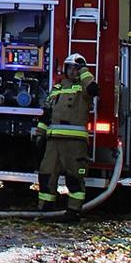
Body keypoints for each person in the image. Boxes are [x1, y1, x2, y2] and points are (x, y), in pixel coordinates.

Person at [34, 53, 99, 217]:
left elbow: (93, 89)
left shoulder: (85, 87)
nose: (72, 72)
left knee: (74, 178)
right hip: (53, 141)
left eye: (76, 69)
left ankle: (73, 211)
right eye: (70, 68)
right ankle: (45, 209)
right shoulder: (57, 88)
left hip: (74, 143)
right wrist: (40, 133)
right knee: (46, 174)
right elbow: (47, 112)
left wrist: (84, 70)